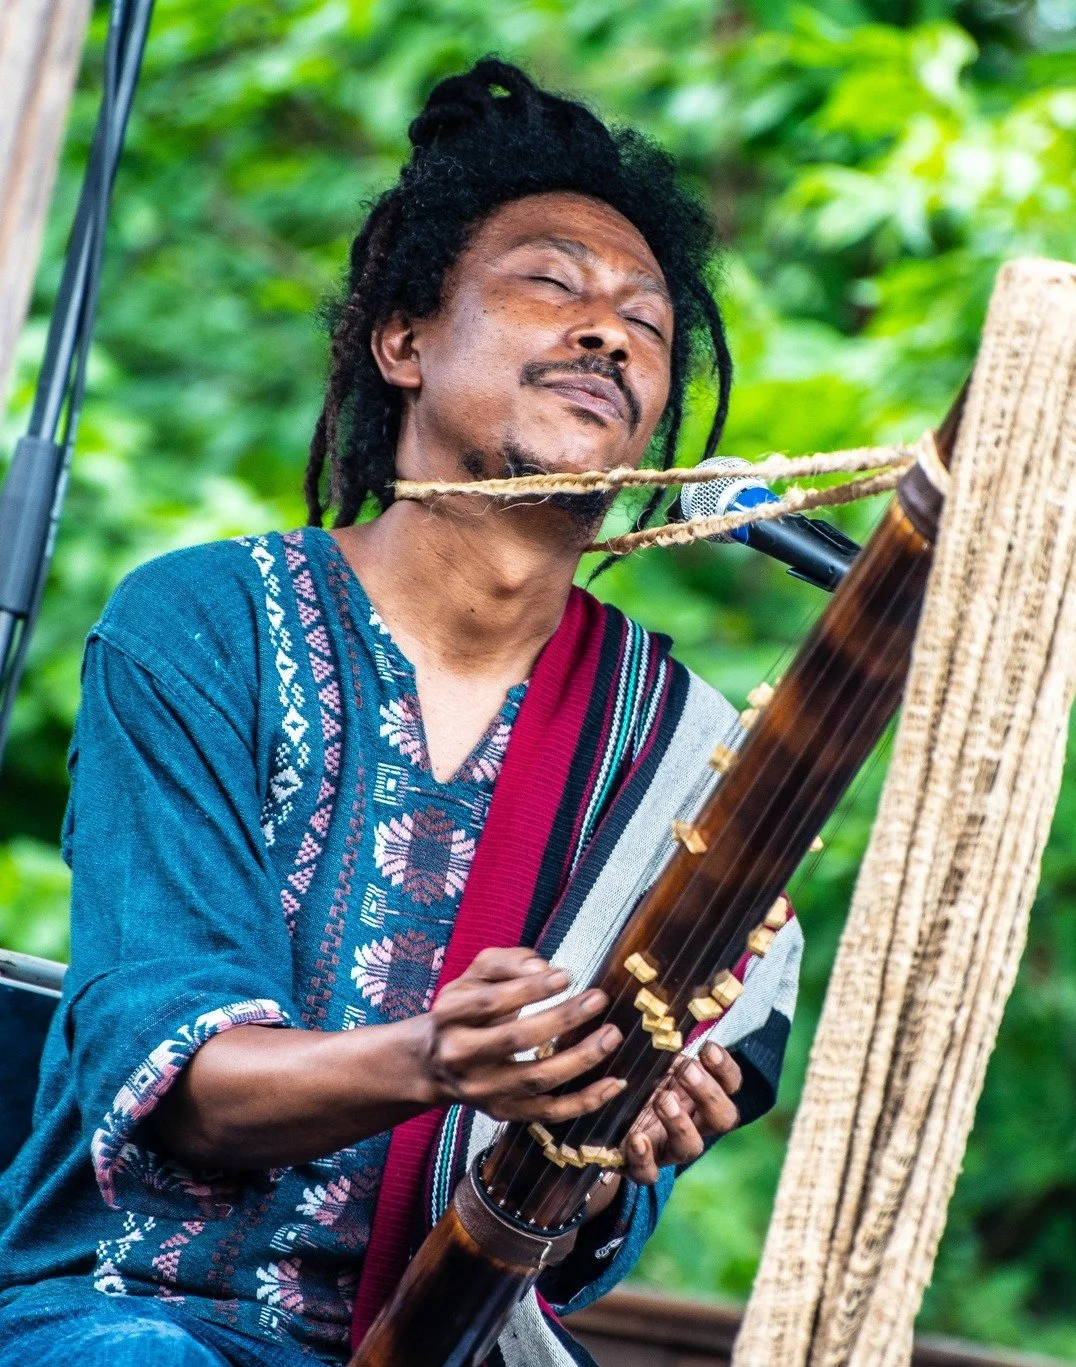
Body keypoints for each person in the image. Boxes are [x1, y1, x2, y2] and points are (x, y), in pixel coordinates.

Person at [0, 59, 802, 1367]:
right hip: (142, 1311)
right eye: (551, 284)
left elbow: (573, 1247)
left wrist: (610, 1158)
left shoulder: (687, 756)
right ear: (403, 342)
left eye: (647, 325)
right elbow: (182, 1089)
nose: (608, 334)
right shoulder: (203, 626)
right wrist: (435, 1057)